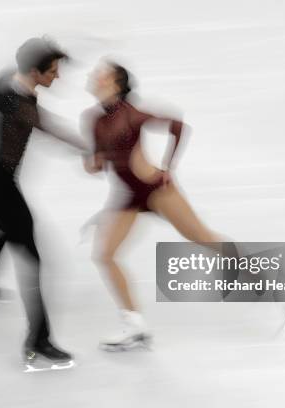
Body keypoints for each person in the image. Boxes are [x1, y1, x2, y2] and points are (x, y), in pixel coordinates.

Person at [0, 37, 86, 366]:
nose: (57, 77)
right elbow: (47, 126)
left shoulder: (6, 83)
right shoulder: (20, 104)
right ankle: (38, 342)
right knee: (32, 257)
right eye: (53, 71)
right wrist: (90, 150)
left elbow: (33, 111)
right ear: (33, 71)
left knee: (8, 229)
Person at [82, 60, 227, 350]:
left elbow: (178, 126)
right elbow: (99, 162)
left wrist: (167, 166)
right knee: (105, 255)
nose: (93, 76)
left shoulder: (132, 115)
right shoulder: (94, 120)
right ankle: (135, 327)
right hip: (127, 197)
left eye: (101, 74)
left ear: (116, 84)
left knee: (203, 239)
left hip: (155, 190)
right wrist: (94, 163)